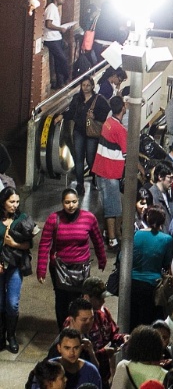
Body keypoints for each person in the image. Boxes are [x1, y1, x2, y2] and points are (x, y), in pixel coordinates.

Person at [37, 188, 107, 328]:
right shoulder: (53, 219)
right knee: (62, 300)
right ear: (62, 203)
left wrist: (102, 258)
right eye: (67, 202)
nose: (71, 205)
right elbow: (44, 244)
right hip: (59, 268)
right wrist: (41, 269)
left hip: (81, 268)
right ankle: (63, 330)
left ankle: (77, 329)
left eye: (74, 202)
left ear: (78, 201)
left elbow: (97, 240)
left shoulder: (88, 218)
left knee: (79, 300)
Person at [56, 77, 110, 195]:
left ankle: (95, 178)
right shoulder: (77, 99)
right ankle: (80, 184)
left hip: (92, 134)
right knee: (78, 158)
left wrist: (95, 116)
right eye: (83, 85)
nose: (85, 88)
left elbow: (106, 114)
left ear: (92, 86)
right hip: (79, 131)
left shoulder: (98, 100)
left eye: (88, 85)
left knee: (91, 159)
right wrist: (62, 116)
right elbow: (71, 112)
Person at [91, 95, 128, 247]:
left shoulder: (108, 122)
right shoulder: (120, 129)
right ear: (123, 108)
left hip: (100, 169)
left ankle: (108, 232)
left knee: (108, 204)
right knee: (114, 208)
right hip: (110, 173)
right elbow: (127, 154)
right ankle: (112, 239)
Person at [0, 186, 32, 353]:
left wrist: (13, 244)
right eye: (11, 202)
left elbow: (28, 244)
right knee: (0, 303)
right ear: (3, 202)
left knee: (12, 303)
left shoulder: (22, 219)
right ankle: (1, 335)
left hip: (14, 266)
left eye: (17, 202)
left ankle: (11, 335)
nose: (15, 205)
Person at [131, 207, 173, 328]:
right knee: (150, 321)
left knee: (133, 319)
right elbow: (166, 263)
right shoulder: (166, 239)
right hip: (152, 285)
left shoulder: (136, 234)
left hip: (132, 283)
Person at [43, 0, 74, 89]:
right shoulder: (51, 8)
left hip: (56, 38)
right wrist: (60, 28)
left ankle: (59, 83)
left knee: (58, 61)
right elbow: (48, 24)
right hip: (51, 39)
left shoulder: (55, 8)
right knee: (63, 59)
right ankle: (67, 78)